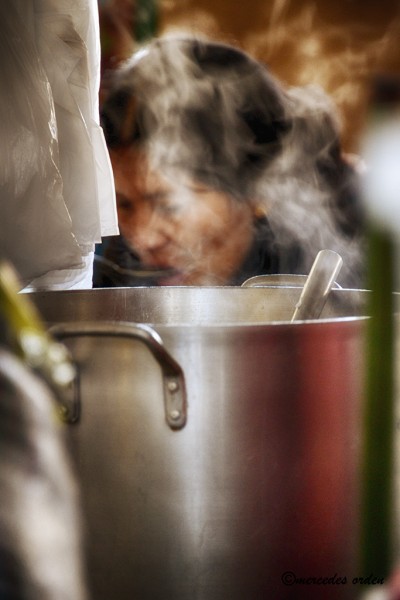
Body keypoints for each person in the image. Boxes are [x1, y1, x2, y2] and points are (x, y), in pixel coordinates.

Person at [95, 35, 365, 288]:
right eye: (123, 204)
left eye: (170, 205)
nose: (143, 239)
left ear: (258, 189)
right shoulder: (108, 264)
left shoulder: (358, 253)